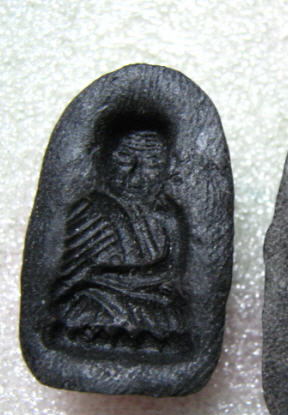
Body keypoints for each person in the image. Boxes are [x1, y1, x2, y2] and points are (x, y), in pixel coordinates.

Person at [49, 129, 188, 350]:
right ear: (102, 161)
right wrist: (101, 279)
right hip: (99, 298)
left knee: (173, 315)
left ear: (168, 169)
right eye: (124, 159)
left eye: (152, 164)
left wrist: (173, 226)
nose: (135, 175)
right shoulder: (94, 209)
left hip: (147, 300)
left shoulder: (166, 212)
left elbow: (172, 274)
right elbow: (73, 279)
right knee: (84, 309)